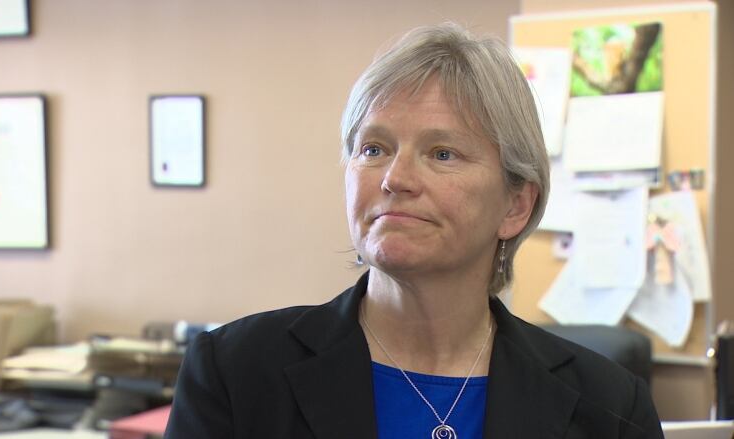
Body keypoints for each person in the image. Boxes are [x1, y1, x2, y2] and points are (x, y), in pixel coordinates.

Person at [165, 22, 663, 439]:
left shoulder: (610, 406)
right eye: (373, 149)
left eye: (442, 153)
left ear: (516, 204)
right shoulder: (235, 373)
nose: (394, 178)